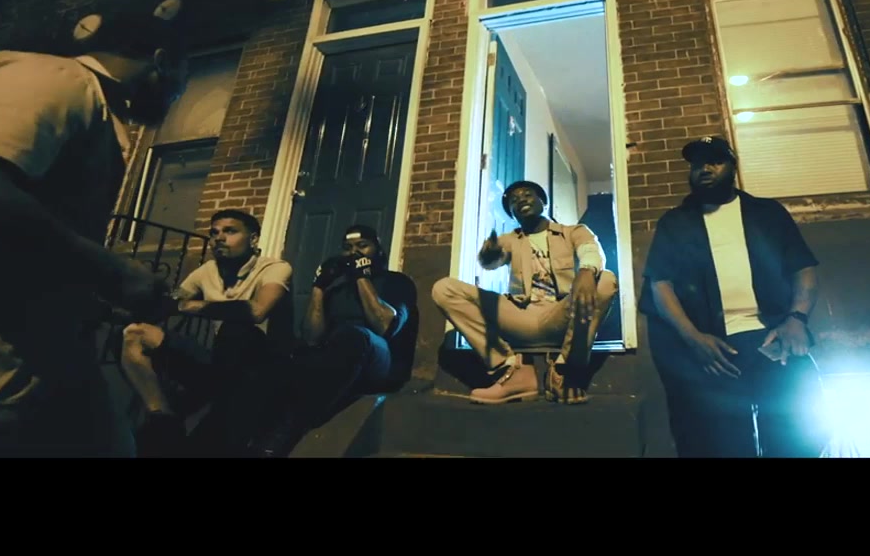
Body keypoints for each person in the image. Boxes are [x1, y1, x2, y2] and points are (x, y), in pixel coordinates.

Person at [0, 2, 188, 457]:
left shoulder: (93, 108)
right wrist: (116, 273)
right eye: (182, 83)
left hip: (44, 366)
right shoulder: (57, 78)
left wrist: (90, 299)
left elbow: (17, 242)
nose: (177, 97)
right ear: (161, 62)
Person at [638, 135, 828, 458]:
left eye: (715, 161)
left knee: (797, 432)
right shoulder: (675, 222)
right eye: (698, 164)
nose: (705, 169)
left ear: (732, 167)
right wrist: (694, 339)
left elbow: (803, 268)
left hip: (772, 338)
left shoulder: (767, 213)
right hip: (713, 348)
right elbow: (660, 285)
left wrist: (796, 320)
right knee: (718, 443)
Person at [119, 209, 294, 457]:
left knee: (237, 330)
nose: (218, 238)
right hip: (220, 363)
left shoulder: (276, 268)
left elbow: (257, 311)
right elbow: (169, 304)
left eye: (230, 231)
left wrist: (186, 306)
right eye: (214, 233)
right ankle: (163, 418)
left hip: (262, 369)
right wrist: (120, 308)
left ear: (253, 239)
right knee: (135, 334)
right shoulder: (207, 270)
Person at [432, 180, 619, 405]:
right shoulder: (510, 239)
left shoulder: (573, 232)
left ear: (543, 202)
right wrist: (489, 253)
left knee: (606, 279)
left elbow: (590, 250)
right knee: (444, 288)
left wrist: (587, 271)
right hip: (519, 318)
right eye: (514, 200)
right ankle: (511, 370)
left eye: (527, 194)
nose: (520, 199)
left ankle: (563, 372)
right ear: (512, 212)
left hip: (560, 317)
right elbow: (490, 262)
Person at [248, 224, 419, 457]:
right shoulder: (337, 290)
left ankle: (295, 424)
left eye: (362, 246)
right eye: (347, 248)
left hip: (379, 360)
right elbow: (311, 337)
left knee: (354, 335)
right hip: (337, 358)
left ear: (378, 250)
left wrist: (362, 277)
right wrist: (319, 287)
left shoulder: (397, 282)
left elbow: (385, 326)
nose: (354, 252)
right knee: (287, 354)